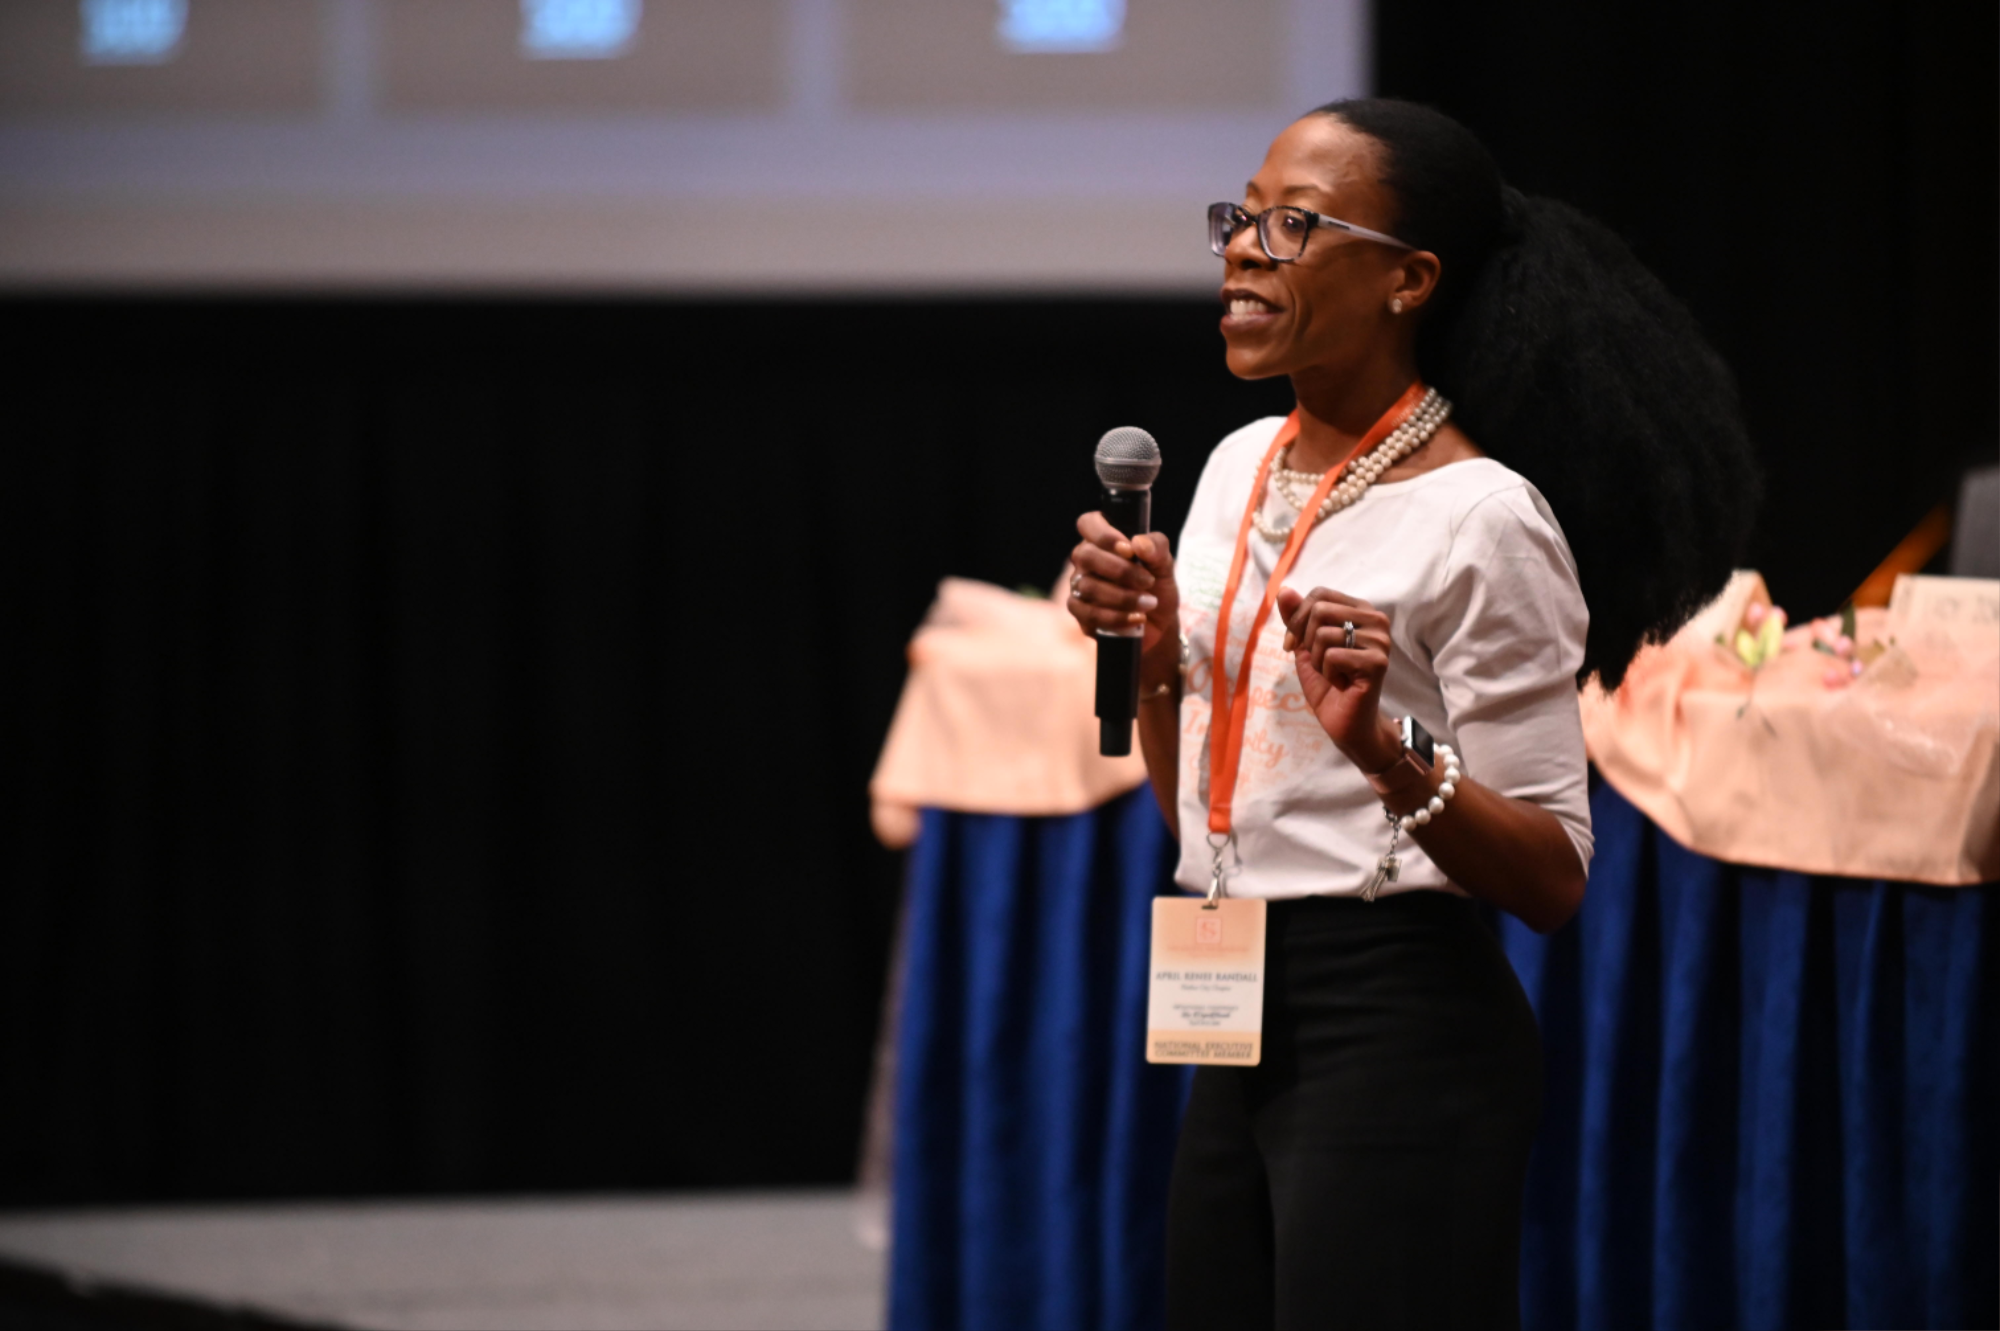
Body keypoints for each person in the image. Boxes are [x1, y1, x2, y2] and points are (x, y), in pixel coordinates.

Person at [1065, 99, 1756, 1330]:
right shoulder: (1228, 470)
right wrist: (1156, 662)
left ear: (1407, 279)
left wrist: (1384, 751)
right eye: (1240, 218)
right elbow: (1201, 812)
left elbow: (1552, 874)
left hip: (1397, 1024)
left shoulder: (1481, 516)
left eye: (1292, 225)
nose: (1242, 250)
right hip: (1231, 1002)